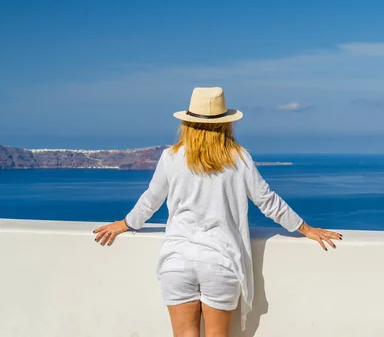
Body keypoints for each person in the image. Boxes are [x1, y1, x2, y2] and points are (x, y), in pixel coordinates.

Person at [93, 87, 342, 337]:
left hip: (177, 261)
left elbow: (151, 200)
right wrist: (306, 229)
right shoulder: (239, 158)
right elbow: (267, 201)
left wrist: (125, 223)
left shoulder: (171, 157)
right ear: (226, 124)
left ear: (187, 123)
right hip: (221, 262)